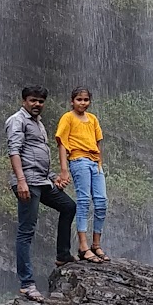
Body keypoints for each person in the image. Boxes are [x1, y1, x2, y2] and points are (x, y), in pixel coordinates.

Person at [5, 85, 76, 301]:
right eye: (33, 100)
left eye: (41, 101)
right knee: (26, 231)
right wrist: (21, 181)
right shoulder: (17, 120)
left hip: (42, 181)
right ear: (24, 100)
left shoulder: (38, 123)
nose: (37, 104)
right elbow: (14, 151)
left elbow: (36, 154)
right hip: (28, 183)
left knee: (69, 206)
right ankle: (27, 283)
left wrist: (53, 175)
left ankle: (63, 255)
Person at [55, 87, 108, 263]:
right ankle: (83, 246)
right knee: (84, 201)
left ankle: (96, 244)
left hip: (95, 162)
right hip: (78, 160)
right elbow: (62, 143)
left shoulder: (92, 118)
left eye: (85, 100)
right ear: (72, 101)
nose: (82, 103)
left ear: (89, 101)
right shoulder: (68, 118)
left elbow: (98, 140)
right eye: (79, 99)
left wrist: (99, 161)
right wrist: (64, 169)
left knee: (101, 202)